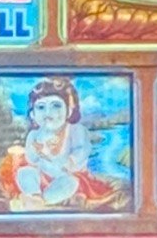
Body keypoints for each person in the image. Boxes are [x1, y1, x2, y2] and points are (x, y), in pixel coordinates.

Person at [8, 77, 115, 211]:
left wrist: (70, 161)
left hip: (68, 175)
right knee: (25, 172)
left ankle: (43, 201)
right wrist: (36, 151)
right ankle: (34, 195)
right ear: (33, 115)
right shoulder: (34, 135)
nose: (48, 113)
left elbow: (82, 150)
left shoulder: (76, 130)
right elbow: (31, 159)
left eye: (56, 106)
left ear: (68, 111)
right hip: (43, 175)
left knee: (70, 183)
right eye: (41, 107)